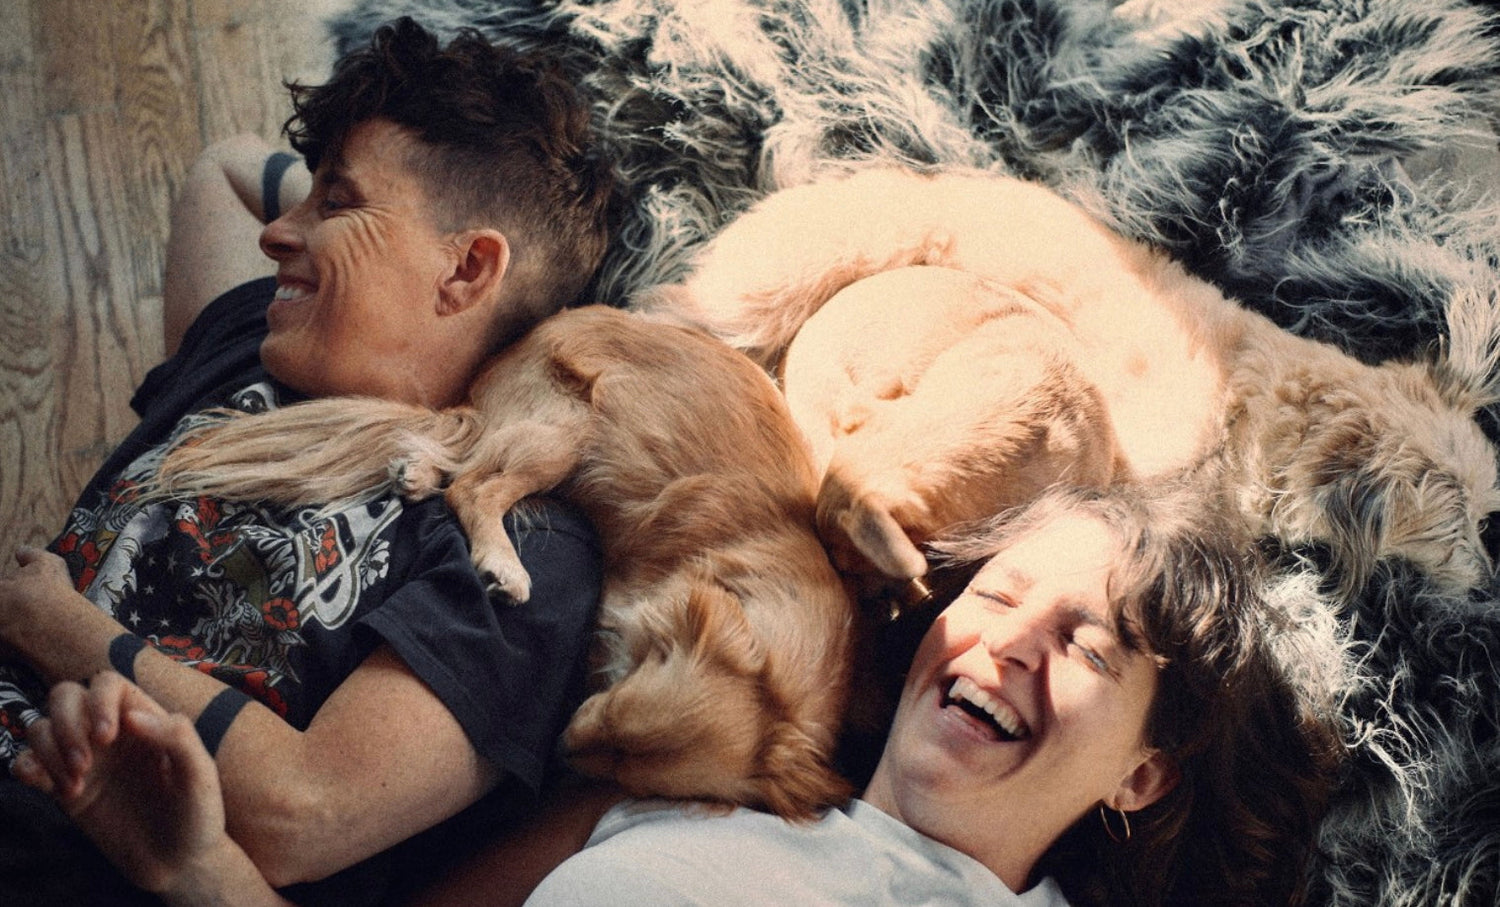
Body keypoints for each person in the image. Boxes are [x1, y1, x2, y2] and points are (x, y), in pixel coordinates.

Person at [16, 485, 1343, 907]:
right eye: (997, 592)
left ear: (1143, 771)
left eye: (1088, 644)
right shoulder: (707, 786)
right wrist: (195, 867)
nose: (1003, 643)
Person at [0, 17, 615, 906]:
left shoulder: (522, 551)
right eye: (308, 198)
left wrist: (54, 625)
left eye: (338, 202)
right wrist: (357, 234)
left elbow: (305, 812)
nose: (277, 234)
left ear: (469, 270)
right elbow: (225, 168)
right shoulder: (248, 342)